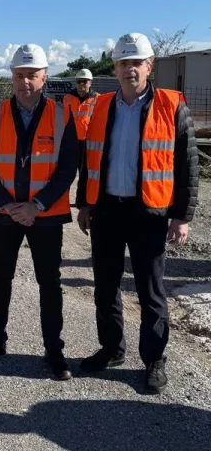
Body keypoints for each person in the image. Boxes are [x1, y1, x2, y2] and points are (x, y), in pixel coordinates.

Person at [76, 32, 199, 394]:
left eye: (136, 63)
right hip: (106, 210)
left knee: (150, 291)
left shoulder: (171, 105)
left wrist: (182, 216)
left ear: (149, 66)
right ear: (115, 68)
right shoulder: (100, 106)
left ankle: (154, 359)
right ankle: (112, 349)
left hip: (149, 213)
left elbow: (188, 166)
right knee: (106, 286)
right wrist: (84, 203)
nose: (130, 69)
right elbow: (89, 159)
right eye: (123, 63)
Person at [0, 44, 78, 380]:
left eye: (32, 75)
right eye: (19, 75)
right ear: (12, 77)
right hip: (4, 214)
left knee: (49, 282)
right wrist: (7, 204)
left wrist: (37, 205)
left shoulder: (62, 115)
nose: (25, 82)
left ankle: (53, 349)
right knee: (0, 277)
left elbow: (68, 167)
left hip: (45, 216)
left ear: (44, 77)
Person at [63, 68, 98, 171]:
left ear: (90, 83)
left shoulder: (98, 99)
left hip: (89, 141)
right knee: (69, 170)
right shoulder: (67, 98)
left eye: (85, 81)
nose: (82, 83)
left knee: (86, 170)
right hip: (72, 141)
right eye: (79, 81)